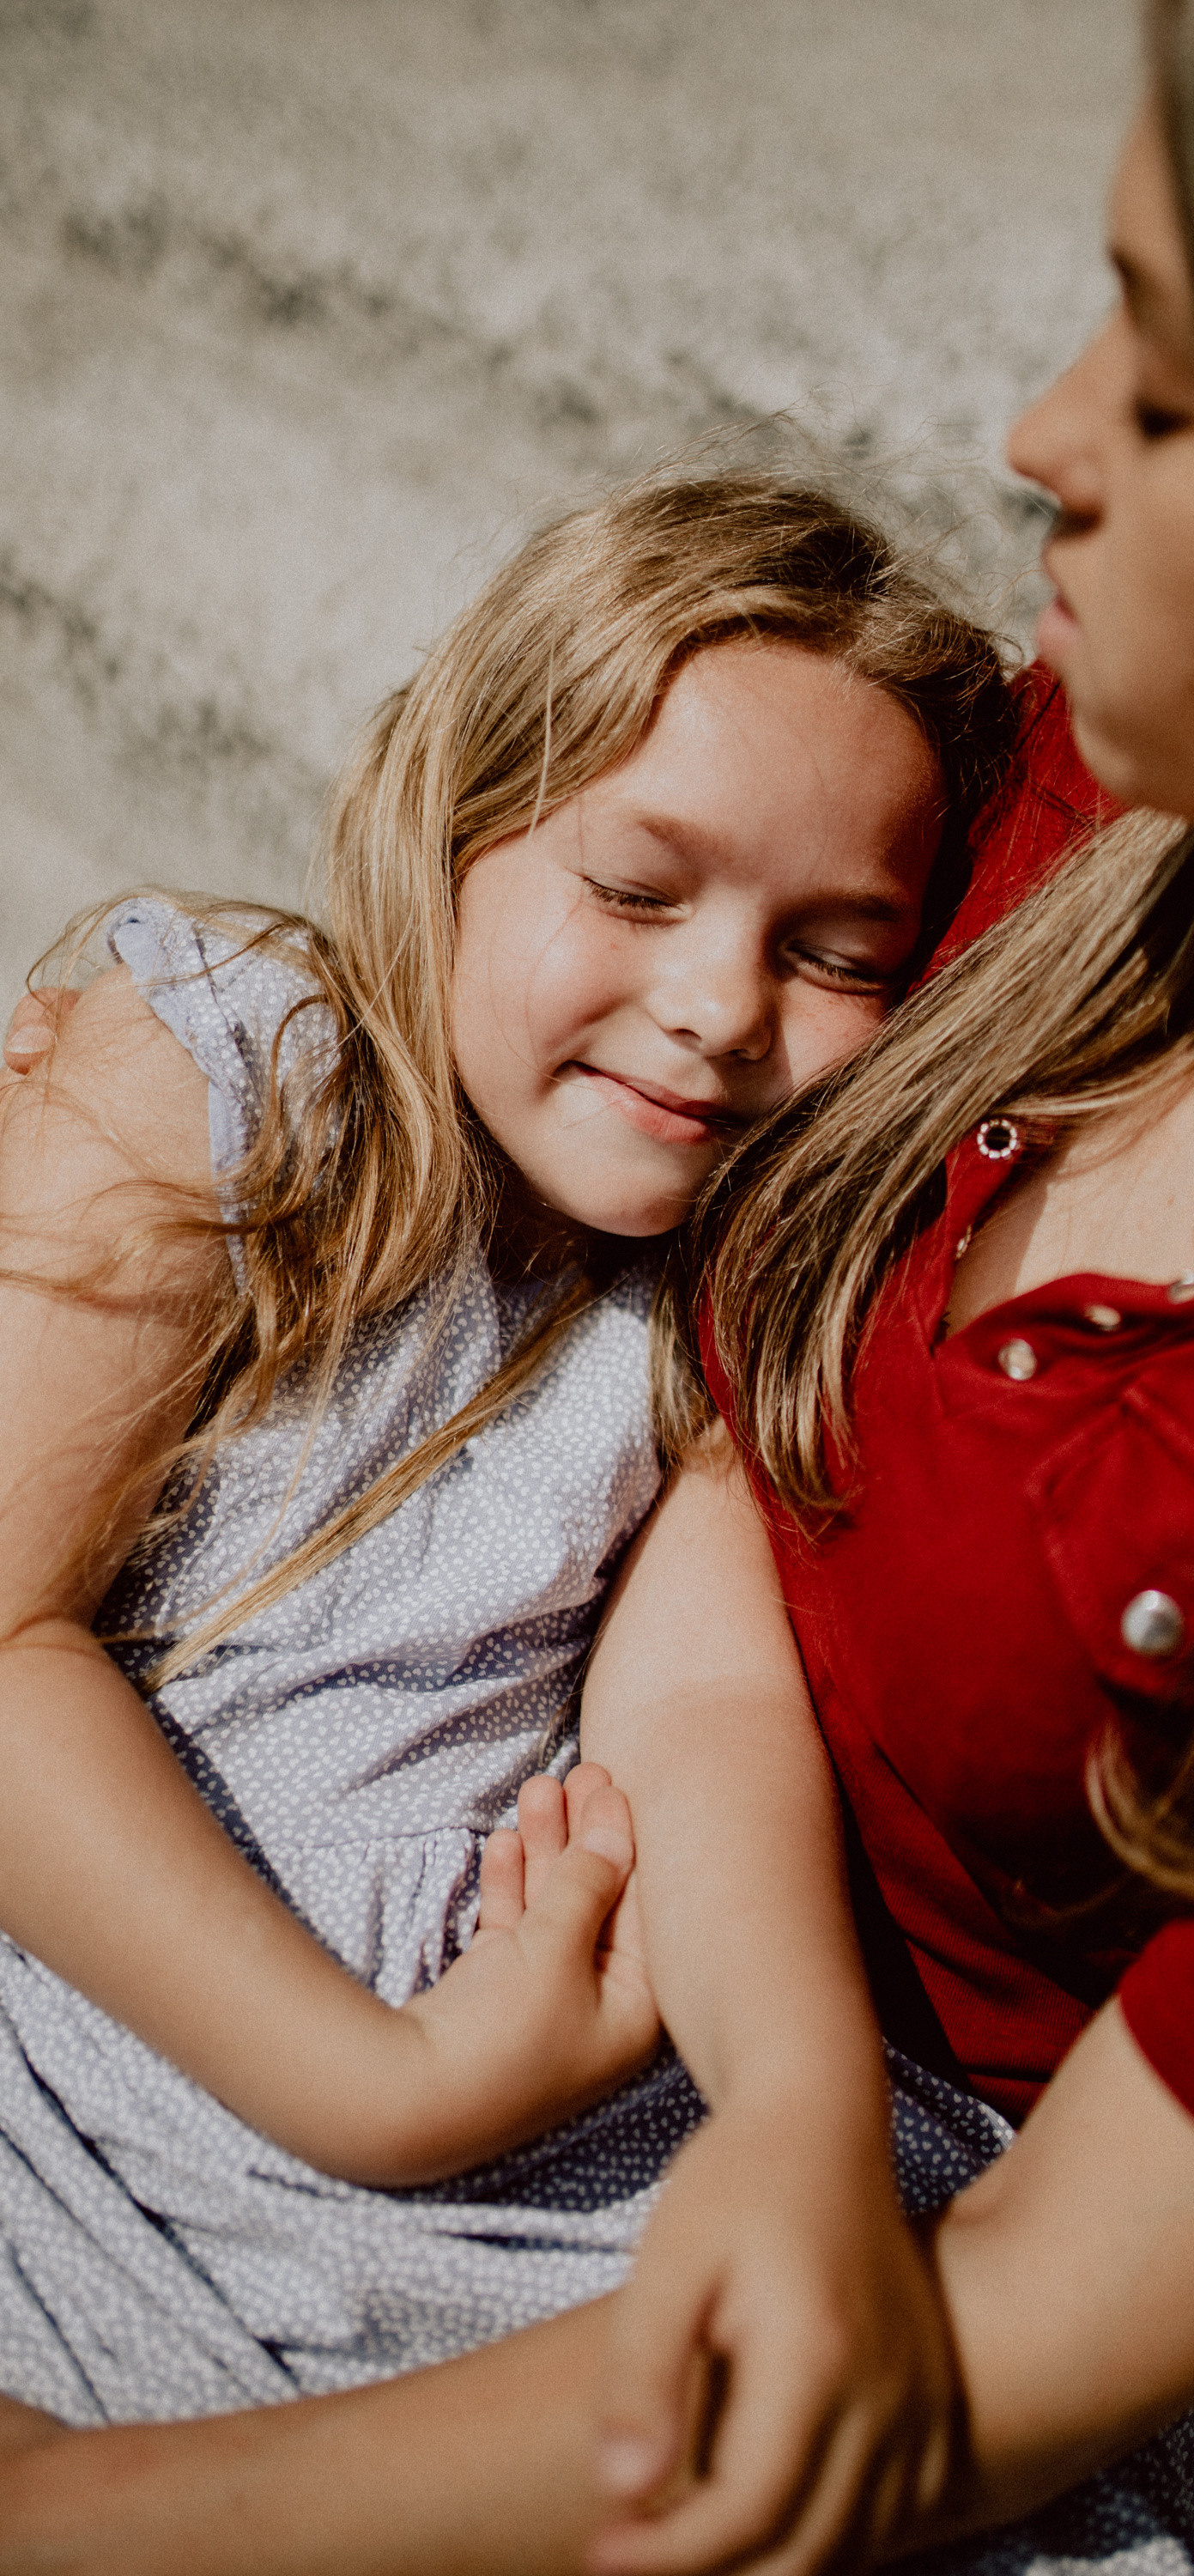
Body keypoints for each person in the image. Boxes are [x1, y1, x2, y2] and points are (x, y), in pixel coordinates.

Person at [4, 0, 1194, 2562]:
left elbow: (1020, 2322)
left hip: (802, 2221)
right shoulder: (1047, 800)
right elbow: (721, 1504)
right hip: (511, 1947)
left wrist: (88, 2522)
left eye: (1162, 383)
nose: (1034, 429)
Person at [0, 470, 1030, 2424]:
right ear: (458, 831)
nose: (721, 1006)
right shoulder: (239, 1066)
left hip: (504, 2090)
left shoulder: (712, 1314)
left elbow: (702, 1724)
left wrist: (793, 2106)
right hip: (95, 2001)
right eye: (639, 889)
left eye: (838, 952)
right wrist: (372, 2088)